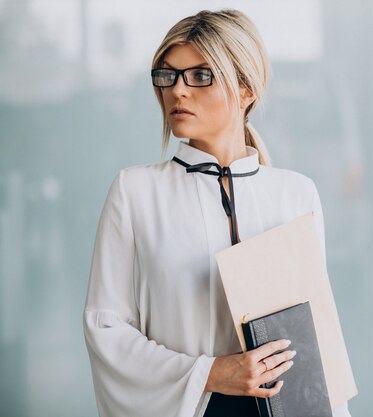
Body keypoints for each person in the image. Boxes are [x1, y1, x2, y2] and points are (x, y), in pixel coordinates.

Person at [82, 9, 351, 417]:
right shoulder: (134, 192)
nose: (178, 91)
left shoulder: (296, 195)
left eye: (200, 76)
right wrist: (208, 373)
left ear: (246, 90)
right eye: (167, 75)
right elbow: (106, 328)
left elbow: (314, 338)